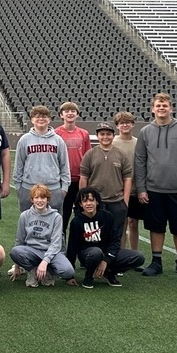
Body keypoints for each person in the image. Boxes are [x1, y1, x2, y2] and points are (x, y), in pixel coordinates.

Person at [133, 92, 177, 278]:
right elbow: (139, 161)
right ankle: (156, 261)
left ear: (171, 108)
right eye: (158, 105)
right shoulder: (145, 132)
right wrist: (141, 188)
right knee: (156, 227)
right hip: (154, 189)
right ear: (152, 109)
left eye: (165, 105)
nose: (161, 108)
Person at [66, 187, 146, 288]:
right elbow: (72, 248)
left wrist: (106, 260)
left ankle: (109, 272)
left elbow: (115, 241)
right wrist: (70, 276)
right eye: (85, 201)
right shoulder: (76, 222)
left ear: (97, 202)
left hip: (107, 254)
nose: (88, 203)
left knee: (138, 257)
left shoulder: (107, 216)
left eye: (91, 200)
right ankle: (89, 275)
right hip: (89, 255)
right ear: (80, 204)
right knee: (96, 252)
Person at [9, 183, 78, 288]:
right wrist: (17, 267)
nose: (39, 200)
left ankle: (49, 271)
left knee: (68, 271)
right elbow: (19, 241)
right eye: (36, 197)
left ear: (48, 200)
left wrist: (45, 261)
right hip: (32, 251)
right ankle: (32, 270)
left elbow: (56, 244)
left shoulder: (56, 217)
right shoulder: (25, 216)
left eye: (43, 197)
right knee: (15, 251)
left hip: (51, 252)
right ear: (32, 200)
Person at [78, 122, 133, 253]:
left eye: (108, 134)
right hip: (96, 202)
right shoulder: (90, 154)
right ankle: (94, 259)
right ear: (97, 136)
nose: (105, 137)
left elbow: (127, 179)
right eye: (102, 134)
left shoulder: (121, 155)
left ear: (113, 136)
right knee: (95, 233)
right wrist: (84, 200)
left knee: (116, 233)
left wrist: (125, 201)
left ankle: (114, 260)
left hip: (116, 201)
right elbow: (84, 178)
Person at [12, 105, 70, 214]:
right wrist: (18, 187)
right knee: (28, 223)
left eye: (44, 116)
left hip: (53, 188)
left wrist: (64, 188)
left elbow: (64, 165)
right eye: (37, 116)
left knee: (54, 223)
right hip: (29, 187)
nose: (41, 119)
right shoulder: (24, 140)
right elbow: (19, 165)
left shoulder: (58, 140)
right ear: (32, 119)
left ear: (49, 119)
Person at [54, 101, 91, 238]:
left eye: (73, 111)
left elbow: (88, 156)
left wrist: (85, 177)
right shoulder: (56, 133)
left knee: (81, 215)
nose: (70, 113)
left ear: (77, 114)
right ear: (61, 115)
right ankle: (60, 244)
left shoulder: (84, 134)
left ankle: (81, 245)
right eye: (66, 111)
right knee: (63, 215)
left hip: (80, 180)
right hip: (63, 181)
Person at [113, 111, 141, 250]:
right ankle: (121, 254)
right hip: (118, 190)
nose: (125, 125)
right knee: (121, 223)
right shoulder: (113, 143)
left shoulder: (138, 143)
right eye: (121, 123)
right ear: (117, 126)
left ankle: (134, 253)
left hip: (135, 190)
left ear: (133, 125)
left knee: (133, 222)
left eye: (127, 122)